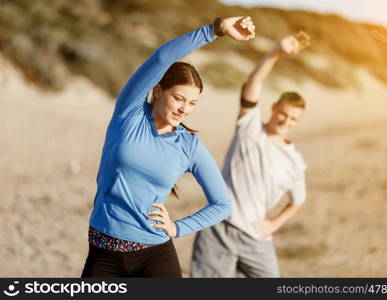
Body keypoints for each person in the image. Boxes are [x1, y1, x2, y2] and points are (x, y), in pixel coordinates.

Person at [80, 16, 256, 278]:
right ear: (159, 90)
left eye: (192, 103)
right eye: (178, 98)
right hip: (103, 253)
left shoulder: (189, 145)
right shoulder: (129, 114)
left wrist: (177, 228)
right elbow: (161, 59)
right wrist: (214, 30)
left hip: (154, 256)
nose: (184, 109)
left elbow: (222, 205)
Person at [191, 31, 311, 278]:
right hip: (217, 228)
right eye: (283, 113)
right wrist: (276, 52)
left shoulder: (295, 161)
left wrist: (272, 224)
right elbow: (252, 84)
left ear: (298, 121)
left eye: (293, 119)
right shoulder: (249, 127)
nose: (285, 120)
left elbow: (297, 200)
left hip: (256, 238)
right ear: (274, 108)